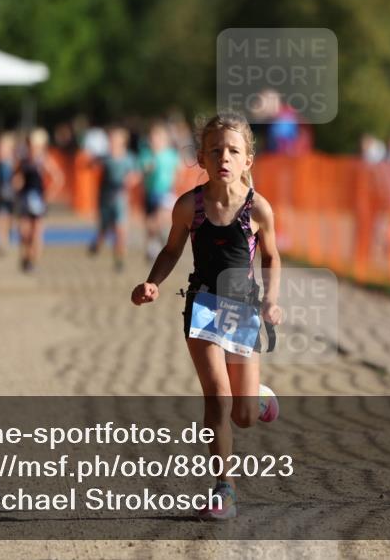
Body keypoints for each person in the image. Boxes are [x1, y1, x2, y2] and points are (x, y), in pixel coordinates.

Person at [130, 112, 283, 521]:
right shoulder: (189, 206)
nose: (224, 157)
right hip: (202, 307)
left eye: (233, 151)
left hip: (244, 310)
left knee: (243, 416)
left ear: (248, 159)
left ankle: (257, 398)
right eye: (215, 151)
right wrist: (152, 283)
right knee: (217, 399)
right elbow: (171, 250)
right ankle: (223, 489)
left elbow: (271, 257)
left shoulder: (258, 209)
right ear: (201, 158)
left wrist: (271, 300)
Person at [14, 128, 65, 272]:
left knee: (37, 232)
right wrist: (16, 185)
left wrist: (49, 194)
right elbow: (17, 177)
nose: (32, 148)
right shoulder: (23, 160)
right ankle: (25, 256)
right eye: (30, 144)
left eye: (35, 145)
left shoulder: (44, 160)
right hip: (25, 199)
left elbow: (58, 178)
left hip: (38, 200)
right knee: (24, 232)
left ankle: (33, 260)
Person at [89, 127, 139, 272]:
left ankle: (119, 260)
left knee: (120, 230)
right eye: (111, 140)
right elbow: (91, 165)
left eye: (115, 140)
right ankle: (96, 245)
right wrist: (94, 164)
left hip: (120, 199)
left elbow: (136, 174)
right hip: (105, 198)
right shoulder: (105, 158)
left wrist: (131, 180)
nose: (112, 143)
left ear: (123, 141)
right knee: (104, 229)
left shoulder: (129, 158)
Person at [138, 121, 181, 261]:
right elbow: (143, 170)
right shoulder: (146, 154)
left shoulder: (171, 155)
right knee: (149, 223)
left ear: (165, 140)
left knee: (158, 219)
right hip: (150, 192)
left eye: (158, 138)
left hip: (166, 192)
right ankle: (155, 244)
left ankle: (161, 241)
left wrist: (175, 182)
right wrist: (149, 167)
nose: (155, 141)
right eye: (152, 138)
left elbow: (178, 169)